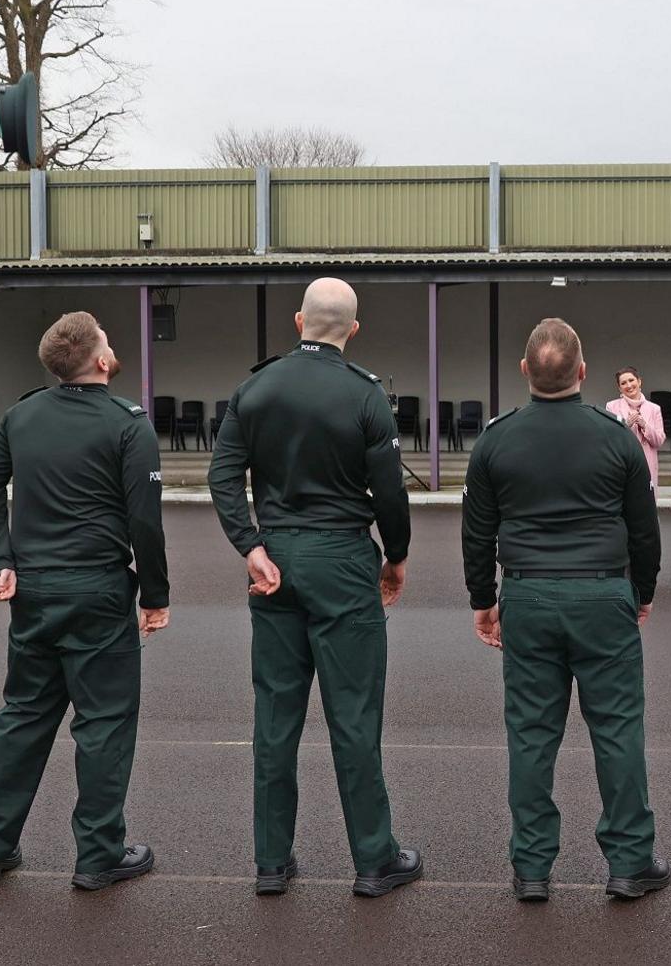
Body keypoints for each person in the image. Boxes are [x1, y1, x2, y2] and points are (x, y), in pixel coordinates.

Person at [207, 277, 419, 899]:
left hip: (276, 558)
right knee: (353, 716)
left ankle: (271, 861)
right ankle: (373, 859)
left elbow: (222, 477)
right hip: (343, 559)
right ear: (353, 330)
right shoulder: (366, 395)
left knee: (275, 717)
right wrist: (397, 556)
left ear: (298, 320)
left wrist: (250, 546)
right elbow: (389, 492)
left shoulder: (255, 387)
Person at [463, 319, 671, 902]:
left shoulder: (496, 439)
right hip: (603, 593)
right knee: (618, 730)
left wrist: (484, 600)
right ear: (582, 372)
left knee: (531, 734)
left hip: (527, 594)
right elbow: (643, 530)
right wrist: (644, 591)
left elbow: (477, 534)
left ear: (525, 370)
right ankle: (630, 861)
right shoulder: (616, 437)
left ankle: (532, 866)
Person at [0, 311, 169, 891]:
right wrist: (155, 594)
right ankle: (99, 853)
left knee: (23, 716)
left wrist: (2, 556)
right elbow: (144, 522)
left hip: (34, 591)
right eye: (106, 339)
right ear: (101, 360)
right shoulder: (129, 424)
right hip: (98, 592)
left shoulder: (21, 415)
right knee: (103, 722)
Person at [606, 366, 665, 491]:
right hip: (623, 465)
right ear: (619, 388)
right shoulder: (611, 406)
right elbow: (609, 439)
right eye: (623, 383)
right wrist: (626, 425)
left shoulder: (654, 408)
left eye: (631, 380)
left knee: (646, 507)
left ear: (639, 381)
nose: (629, 385)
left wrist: (645, 425)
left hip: (647, 465)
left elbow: (659, 441)